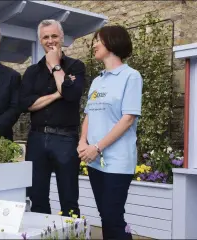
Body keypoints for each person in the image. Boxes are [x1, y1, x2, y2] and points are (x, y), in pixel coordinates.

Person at [78, 25, 143, 240]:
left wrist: (97, 147)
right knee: (106, 215)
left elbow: (128, 118)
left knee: (114, 215)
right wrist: (82, 142)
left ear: (112, 43)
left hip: (117, 160)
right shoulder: (98, 80)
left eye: (98, 40)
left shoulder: (131, 76)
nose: (94, 45)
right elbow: (89, 114)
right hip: (95, 160)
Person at [19, 19, 85, 217]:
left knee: (69, 198)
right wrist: (59, 93)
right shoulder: (32, 72)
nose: (50, 41)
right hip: (37, 139)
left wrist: (56, 66)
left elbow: (72, 95)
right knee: (37, 196)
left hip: (65, 138)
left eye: (54, 36)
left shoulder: (76, 66)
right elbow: (26, 104)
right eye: (45, 37)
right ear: (40, 40)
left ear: (62, 38)